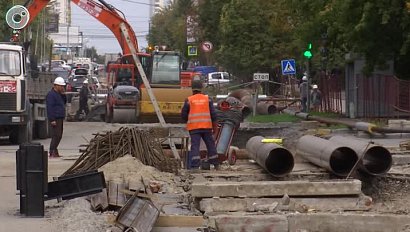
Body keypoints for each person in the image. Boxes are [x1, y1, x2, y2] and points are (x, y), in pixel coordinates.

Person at [181, 80, 219, 170]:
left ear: (192, 89)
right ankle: (215, 164)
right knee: (210, 145)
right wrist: (215, 129)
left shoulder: (189, 100)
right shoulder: (207, 99)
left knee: (195, 146)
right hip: (207, 127)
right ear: (201, 88)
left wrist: (189, 119)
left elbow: (183, 115)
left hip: (194, 128)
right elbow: (214, 115)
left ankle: (195, 166)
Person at [46, 77, 67, 158]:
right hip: (55, 118)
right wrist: (52, 119)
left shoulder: (59, 95)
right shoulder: (51, 95)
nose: (62, 88)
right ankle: (52, 151)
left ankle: (55, 150)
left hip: (60, 117)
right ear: (56, 86)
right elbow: (50, 107)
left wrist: (64, 95)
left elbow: (64, 102)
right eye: (61, 86)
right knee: (56, 135)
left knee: (59, 135)